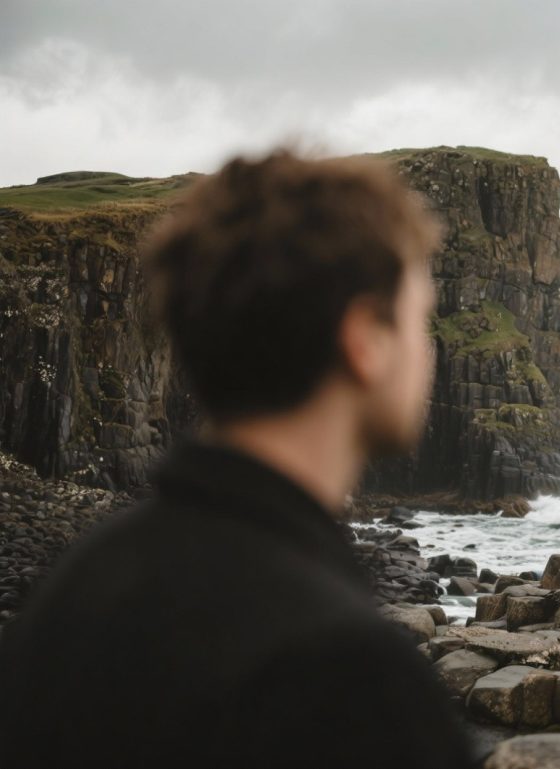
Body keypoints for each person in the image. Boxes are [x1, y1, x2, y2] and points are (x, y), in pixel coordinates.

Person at [0, 151, 475, 768]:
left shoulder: (67, 599)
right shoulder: (351, 681)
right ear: (364, 340)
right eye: (420, 320)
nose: (428, 351)